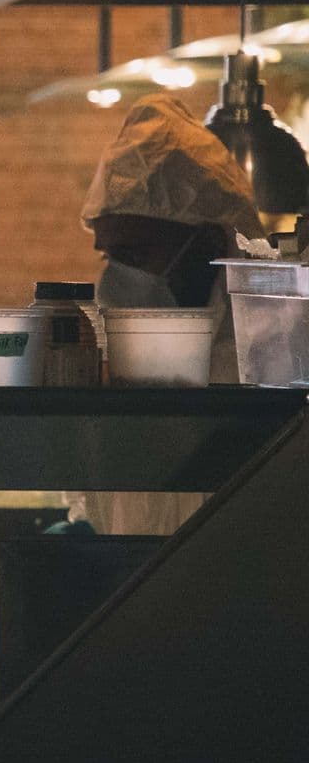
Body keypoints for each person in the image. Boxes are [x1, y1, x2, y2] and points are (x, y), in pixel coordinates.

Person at [76, 92, 264, 534]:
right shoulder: (120, 368)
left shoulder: (271, 362)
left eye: (134, 254)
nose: (114, 280)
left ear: (209, 245)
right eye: (109, 257)